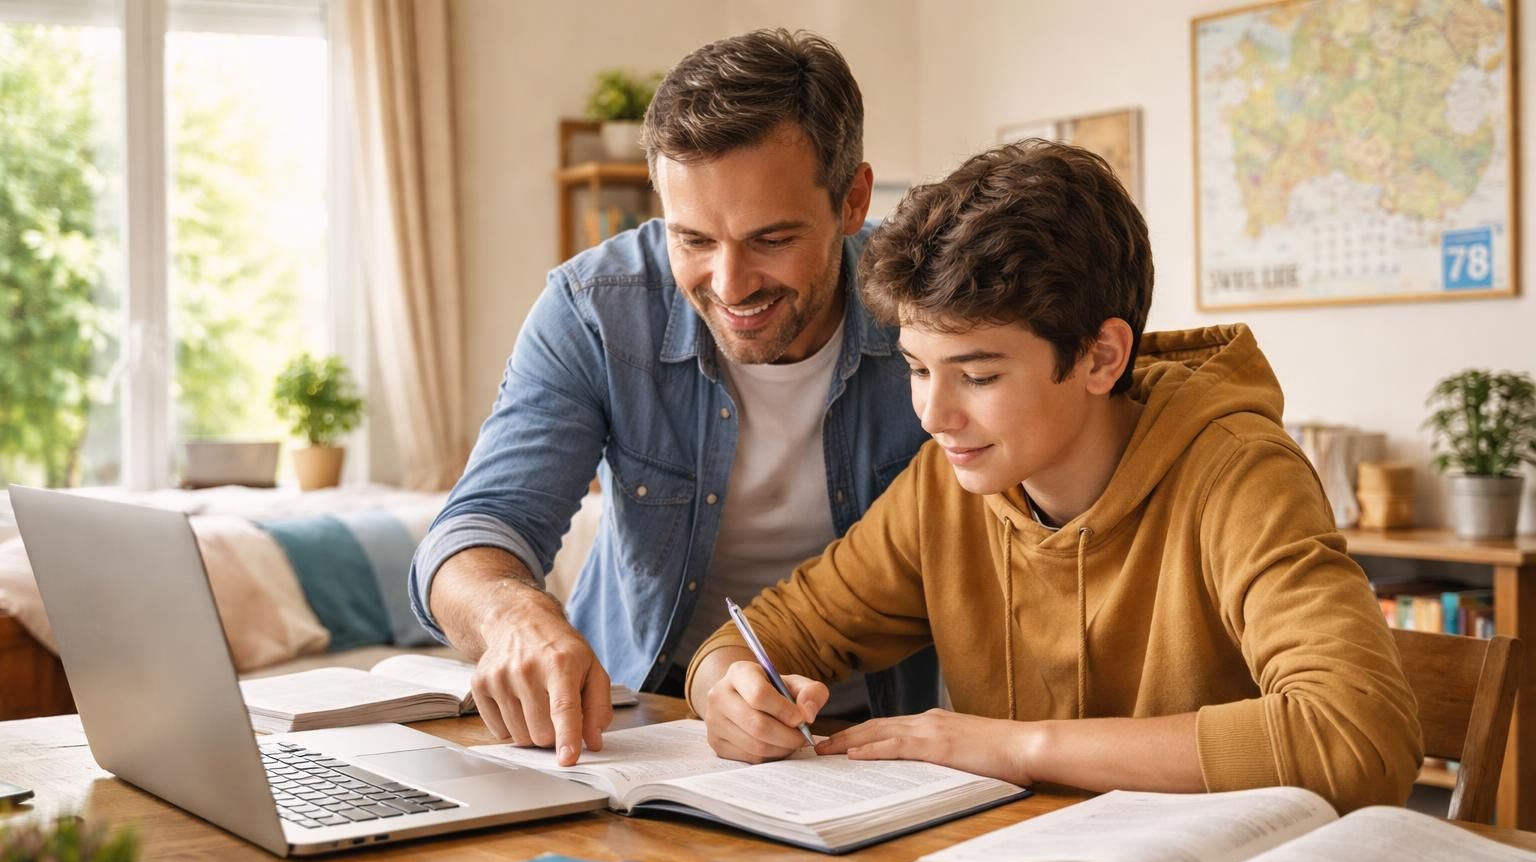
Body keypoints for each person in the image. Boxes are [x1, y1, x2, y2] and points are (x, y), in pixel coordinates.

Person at [686, 140, 1423, 813]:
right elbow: (762, 637)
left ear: (1102, 357)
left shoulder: (1238, 474)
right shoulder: (949, 483)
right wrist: (726, 689)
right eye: (917, 369)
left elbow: (1358, 737)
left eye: (977, 375)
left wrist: (1015, 747)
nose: (935, 415)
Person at [408, 30, 937, 767]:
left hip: (887, 735)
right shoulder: (597, 308)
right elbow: (475, 530)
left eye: (772, 238)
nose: (730, 284)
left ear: (852, 200)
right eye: (692, 240)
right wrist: (513, 616)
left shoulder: (927, 307)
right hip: (648, 728)